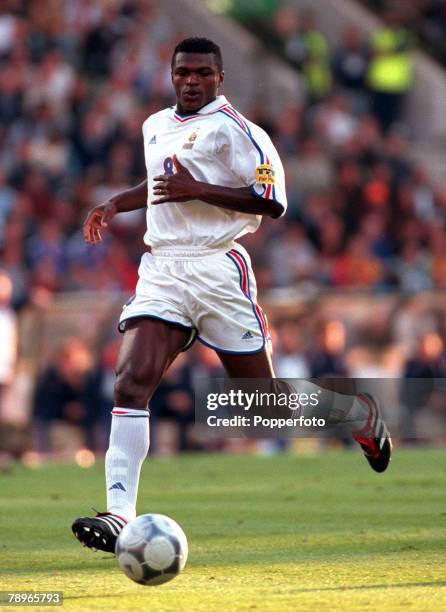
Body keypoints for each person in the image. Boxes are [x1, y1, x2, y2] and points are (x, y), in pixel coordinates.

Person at [72, 37, 391, 554]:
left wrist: (201, 190)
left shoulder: (241, 133)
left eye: (201, 72)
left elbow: (273, 201)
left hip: (220, 270)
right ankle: (117, 516)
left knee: (260, 409)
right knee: (130, 385)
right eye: (182, 72)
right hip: (163, 271)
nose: (191, 80)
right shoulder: (155, 125)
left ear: (220, 78)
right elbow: (159, 184)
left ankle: (355, 415)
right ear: (171, 75)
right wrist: (114, 203)